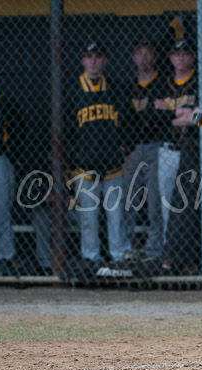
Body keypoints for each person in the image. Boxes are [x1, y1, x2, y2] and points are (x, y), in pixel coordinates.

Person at [66, 41, 131, 267]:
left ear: (105, 61)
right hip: (85, 169)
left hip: (113, 167)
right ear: (82, 60)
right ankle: (91, 259)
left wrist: (122, 150)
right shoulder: (72, 91)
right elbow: (65, 131)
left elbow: (128, 124)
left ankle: (119, 258)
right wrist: (73, 161)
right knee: (89, 220)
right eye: (88, 56)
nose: (93, 61)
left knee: (117, 217)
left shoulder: (116, 88)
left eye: (97, 57)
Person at [154, 38, 200, 273]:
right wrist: (185, 114)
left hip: (192, 153)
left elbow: (199, 117)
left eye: (185, 53)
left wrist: (173, 113)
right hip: (169, 150)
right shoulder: (163, 84)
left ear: (192, 57)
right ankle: (168, 255)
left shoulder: (199, 82)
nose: (180, 58)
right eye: (176, 53)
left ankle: (187, 256)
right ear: (170, 58)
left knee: (189, 206)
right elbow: (157, 119)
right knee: (166, 206)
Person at [123, 40, 165, 263]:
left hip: (156, 146)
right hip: (134, 148)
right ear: (133, 58)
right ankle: (126, 248)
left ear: (155, 58)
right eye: (140, 54)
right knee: (128, 199)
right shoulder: (129, 87)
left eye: (148, 54)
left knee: (154, 202)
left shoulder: (162, 84)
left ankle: (153, 251)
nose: (144, 59)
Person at [0, 65, 20, 275]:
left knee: (1, 213)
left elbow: (17, 134)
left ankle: (4, 257)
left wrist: (11, 158)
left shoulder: (4, 102)